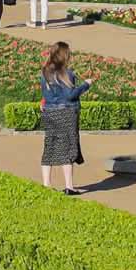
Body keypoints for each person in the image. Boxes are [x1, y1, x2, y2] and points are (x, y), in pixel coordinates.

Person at [38, 43, 91, 193]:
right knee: (67, 146)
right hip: (67, 113)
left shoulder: (45, 73)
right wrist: (85, 85)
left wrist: (44, 102)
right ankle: (69, 186)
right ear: (65, 56)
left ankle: (46, 184)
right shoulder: (67, 74)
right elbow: (70, 95)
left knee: (50, 144)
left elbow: (45, 94)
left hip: (49, 112)